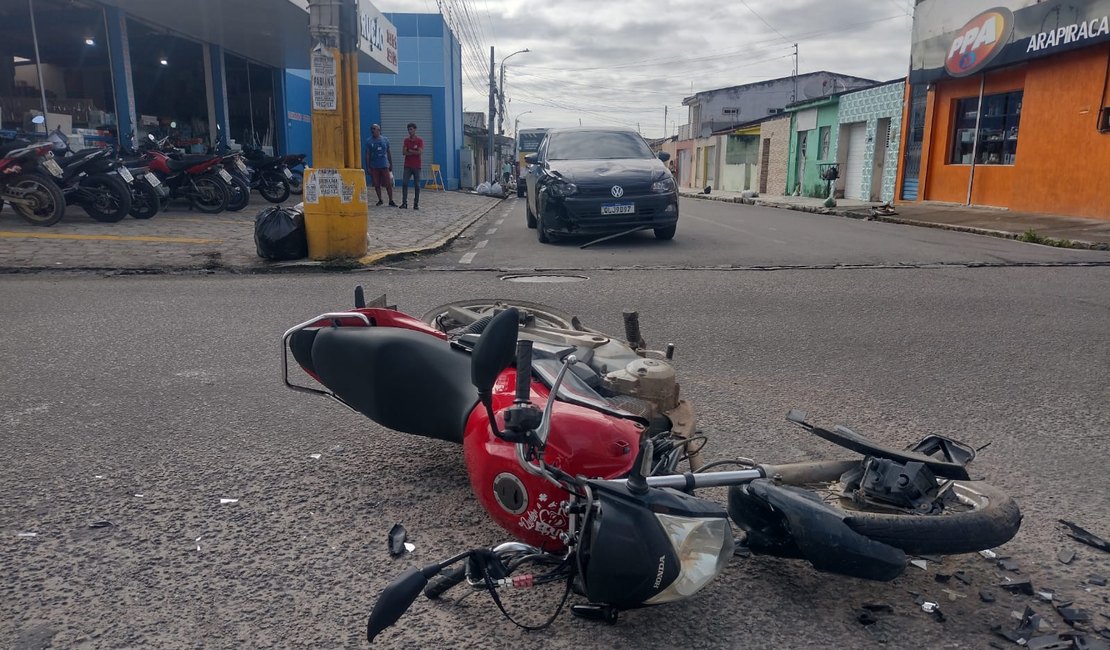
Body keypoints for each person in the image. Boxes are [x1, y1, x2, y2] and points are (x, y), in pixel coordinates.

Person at [364, 123, 395, 206]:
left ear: (379, 130)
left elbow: (388, 152)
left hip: (384, 165)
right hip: (374, 166)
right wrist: (368, 167)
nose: (372, 130)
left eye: (374, 129)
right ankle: (380, 199)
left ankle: (391, 200)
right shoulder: (369, 141)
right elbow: (367, 155)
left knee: (388, 183)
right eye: (371, 129)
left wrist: (391, 164)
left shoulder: (385, 140)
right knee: (376, 184)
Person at [399, 122, 424, 210]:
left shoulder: (419, 140)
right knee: (404, 183)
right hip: (408, 165)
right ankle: (404, 203)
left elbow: (420, 152)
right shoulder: (406, 140)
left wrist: (410, 151)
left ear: (415, 130)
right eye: (409, 129)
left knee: (417, 185)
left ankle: (416, 204)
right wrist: (414, 151)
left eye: (411, 129)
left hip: (417, 166)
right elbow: (404, 152)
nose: (410, 131)